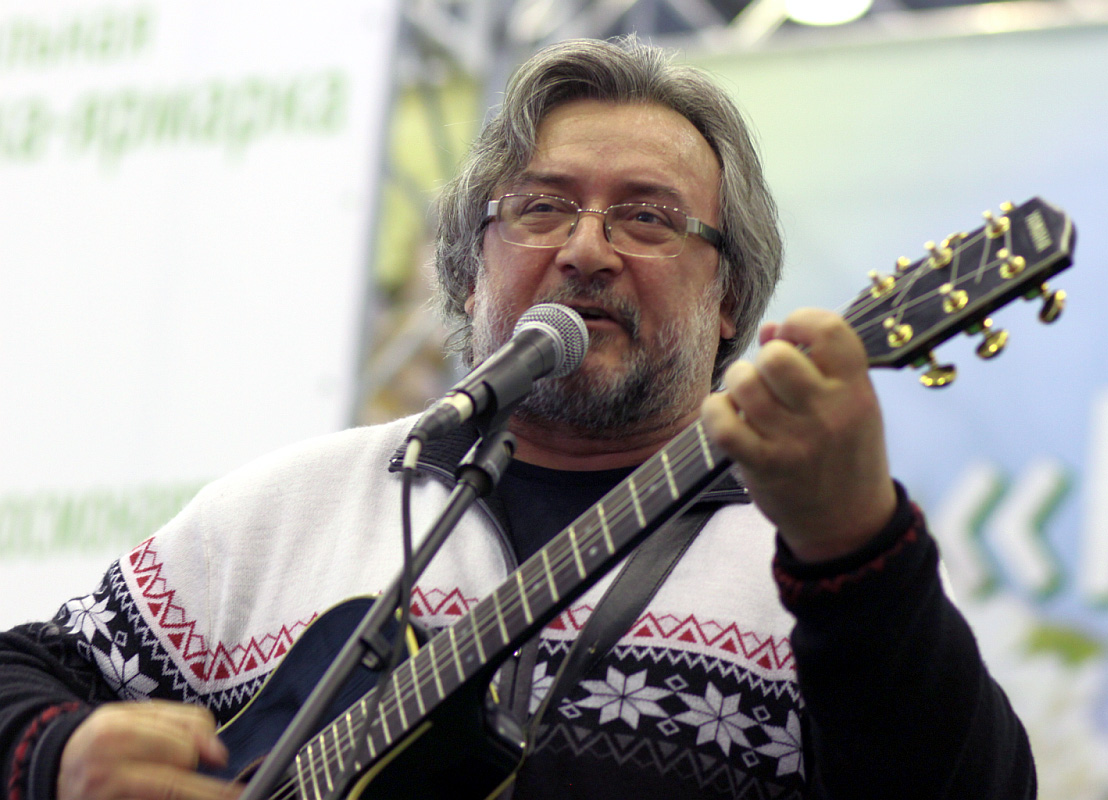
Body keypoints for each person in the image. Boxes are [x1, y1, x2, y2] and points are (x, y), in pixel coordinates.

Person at [0, 36, 1034, 800]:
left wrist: (856, 547)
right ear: (470, 272)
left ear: (730, 299)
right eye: (541, 208)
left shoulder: (818, 555)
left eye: (647, 216)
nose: (585, 248)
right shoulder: (285, 509)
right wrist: (59, 753)